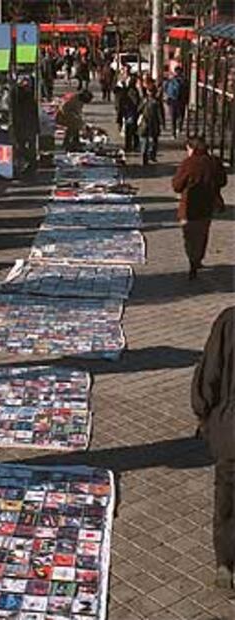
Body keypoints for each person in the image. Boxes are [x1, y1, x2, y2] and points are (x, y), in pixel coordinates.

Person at [191, 306, 235, 589]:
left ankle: (227, 563)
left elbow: (210, 375)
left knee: (228, 496)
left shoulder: (229, 321)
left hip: (231, 430)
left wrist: (203, 412)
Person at [172, 136, 227, 279]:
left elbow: (177, 185)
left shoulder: (188, 163)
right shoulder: (213, 162)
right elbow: (223, 180)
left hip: (189, 205)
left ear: (192, 148)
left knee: (189, 235)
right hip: (207, 205)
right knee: (202, 233)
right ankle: (198, 258)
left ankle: (193, 260)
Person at [12, 77, 39, 173]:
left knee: (23, 145)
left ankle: (30, 161)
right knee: (25, 145)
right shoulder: (26, 96)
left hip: (24, 124)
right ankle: (31, 162)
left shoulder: (19, 95)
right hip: (27, 124)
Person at [138, 86, 163, 164]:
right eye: (149, 91)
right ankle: (145, 156)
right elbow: (138, 110)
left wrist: (161, 122)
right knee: (145, 140)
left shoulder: (156, 102)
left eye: (151, 91)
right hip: (145, 122)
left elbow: (160, 113)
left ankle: (151, 155)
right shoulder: (145, 100)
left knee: (154, 140)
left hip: (153, 123)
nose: (150, 93)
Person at [164, 66, 188, 138]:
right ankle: (179, 128)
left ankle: (173, 132)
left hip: (172, 100)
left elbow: (165, 88)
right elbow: (187, 91)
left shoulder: (171, 79)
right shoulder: (184, 80)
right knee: (181, 116)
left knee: (173, 117)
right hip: (181, 101)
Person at [119, 74, 141, 152]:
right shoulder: (133, 91)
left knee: (130, 130)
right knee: (133, 130)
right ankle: (134, 145)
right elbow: (137, 102)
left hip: (129, 112)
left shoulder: (129, 90)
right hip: (132, 112)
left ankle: (129, 146)